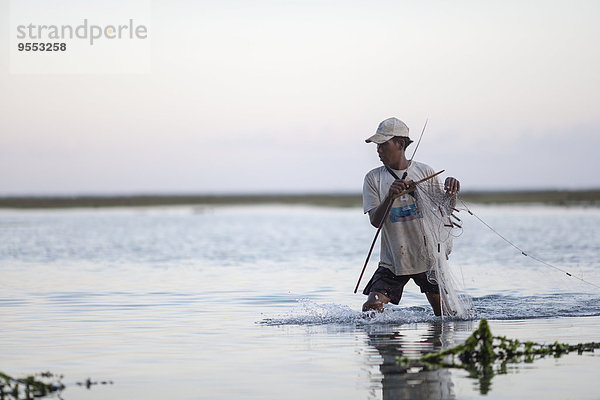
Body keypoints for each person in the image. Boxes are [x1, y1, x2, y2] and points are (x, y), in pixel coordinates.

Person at [361, 117, 460, 315]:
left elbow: (444, 211)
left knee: (445, 315)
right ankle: (389, 344)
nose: (378, 150)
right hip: (394, 260)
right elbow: (375, 221)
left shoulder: (425, 171)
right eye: (377, 145)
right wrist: (389, 196)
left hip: (427, 257)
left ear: (400, 144)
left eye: (382, 144)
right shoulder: (374, 178)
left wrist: (452, 193)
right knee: (371, 309)